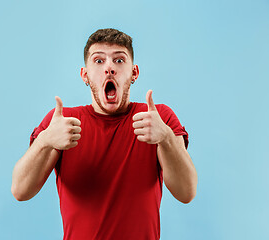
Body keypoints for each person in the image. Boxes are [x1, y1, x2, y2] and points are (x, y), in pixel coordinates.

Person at [11, 28, 198, 240]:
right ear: (85, 75)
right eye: (99, 61)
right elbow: (20, 190)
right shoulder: (61, 121)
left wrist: (165, 137)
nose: (109, 68)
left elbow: (186, 192)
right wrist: (45, 141)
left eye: (119, 60)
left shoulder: (157, 117)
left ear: (134, 72)